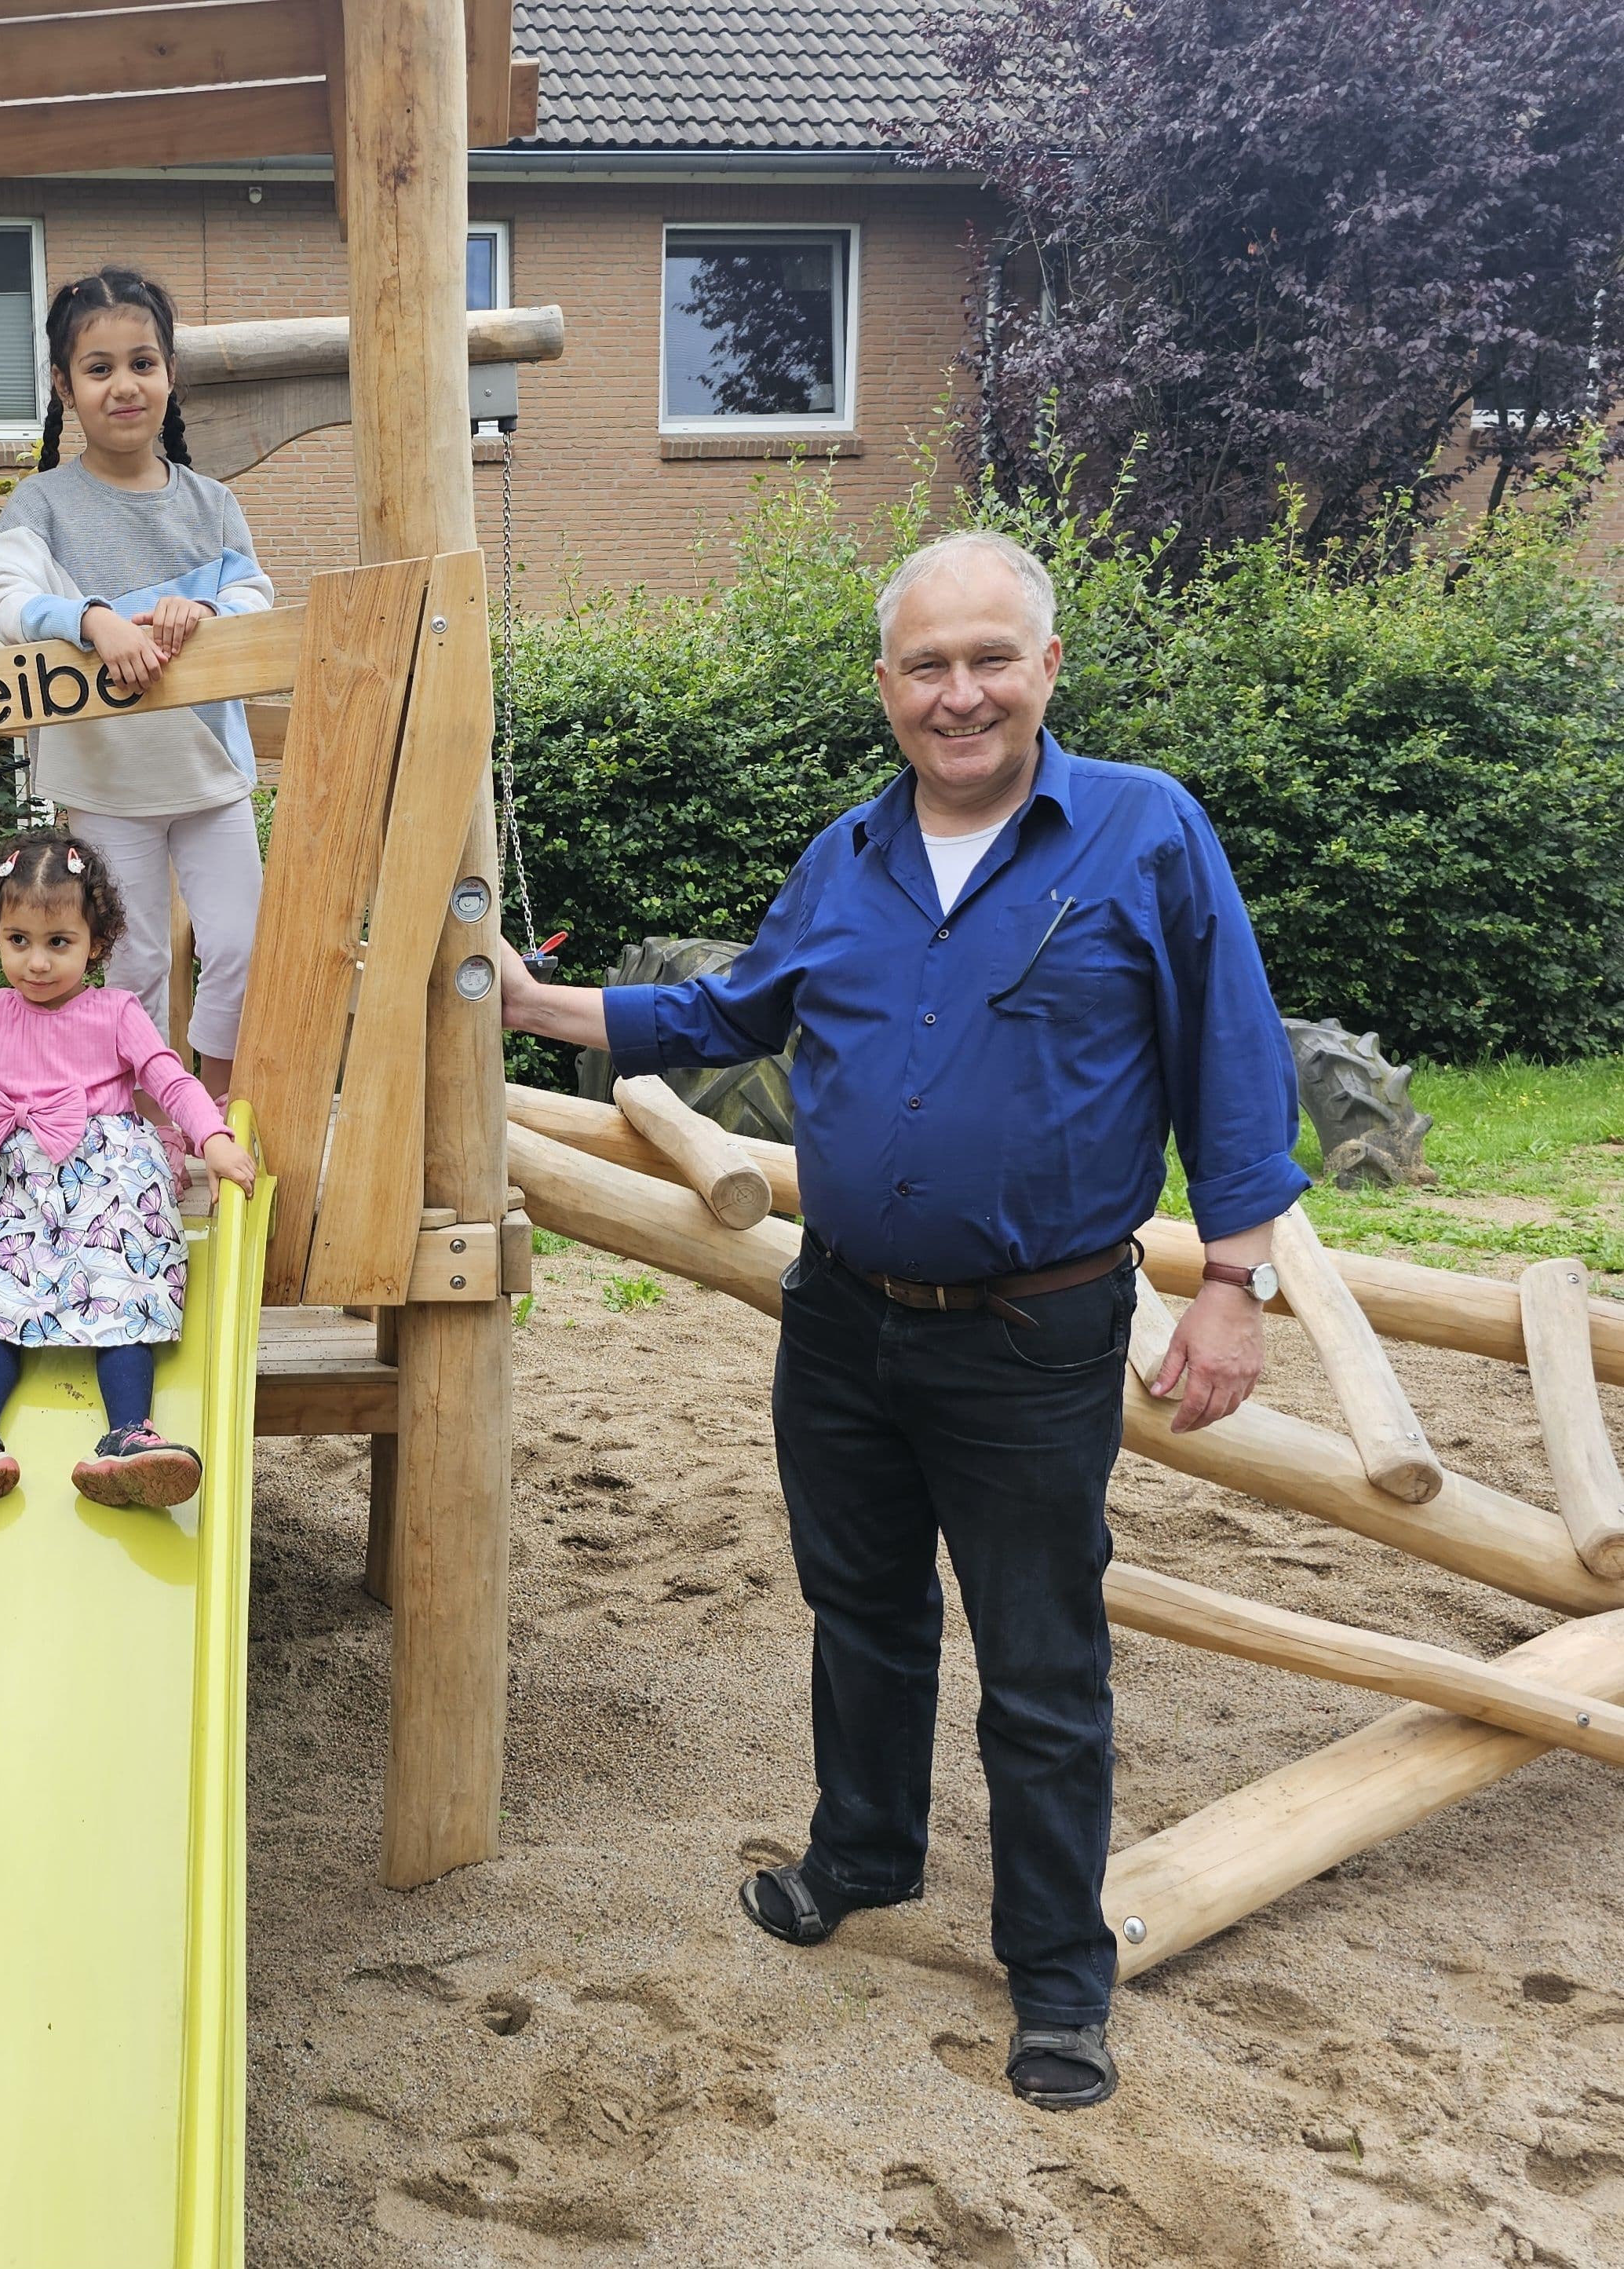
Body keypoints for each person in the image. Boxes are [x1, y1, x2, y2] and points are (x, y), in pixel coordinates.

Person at [498, 529, 1308, 2112]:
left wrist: (1233, 1283)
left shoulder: (1142, 832)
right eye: (926, 665)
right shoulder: (850, 854)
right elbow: (733, 1009)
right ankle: (859, 1854)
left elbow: (1232, 1060)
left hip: (1034, 1332)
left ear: (1048, 667)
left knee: (1040, 1657)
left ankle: (1058, 1975)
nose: (960, 693)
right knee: (860, 1609)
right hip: (843, 1321)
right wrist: (536, 1008)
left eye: (989, 658)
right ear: (884, 688)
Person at [0, 830, 256, 1520]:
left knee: (119, 1285)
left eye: (59, 943)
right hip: (24, 1191)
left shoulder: (115, 1013)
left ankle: (130, 1438)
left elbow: (169, 1079)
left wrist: (212, 1139)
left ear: (96, 943)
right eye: (19, 941)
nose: (36, 963)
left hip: (107, 1187)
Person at [0, 267, 274, 1102]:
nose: (123, 385)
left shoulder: (211, 504)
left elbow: (256, 594)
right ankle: (140, 1119)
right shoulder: (41, 506)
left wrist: (205, 608)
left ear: (168, 373)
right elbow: (4, 595)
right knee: (133, 958)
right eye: (98, 367)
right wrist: (92, 621)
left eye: (141, 362)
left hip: (208, 769)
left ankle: (217, 1107)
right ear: (64, 387)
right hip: (107, 780)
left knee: (242, 943)